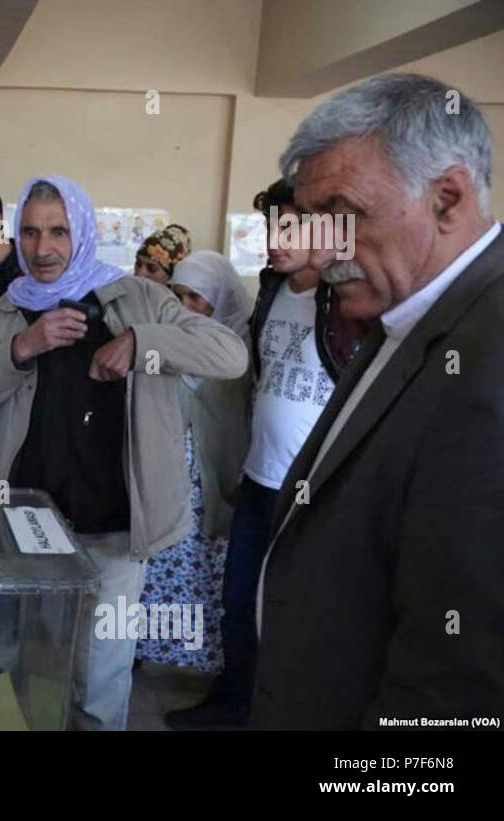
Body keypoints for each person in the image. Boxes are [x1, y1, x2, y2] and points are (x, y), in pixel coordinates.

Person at [255, 73, 504, 728]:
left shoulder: (489, 359)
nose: (325, 246)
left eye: (345, 212)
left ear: (446, 198)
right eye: (311, 219)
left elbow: (459, 681)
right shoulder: (400, 314)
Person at [0, 175, 247, 731]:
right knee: (31, 666)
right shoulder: (10, 311)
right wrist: (24, 347)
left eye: (59, 231)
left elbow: (229, 353)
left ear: (83, 232)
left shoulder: (140, 298)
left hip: (114, 531)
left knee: (100, 679)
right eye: (32, 232)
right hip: (29, 530)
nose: (43, 249)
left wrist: (143, 342)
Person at [166, 179, 368, 730]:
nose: (274, 239)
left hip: (316, 486)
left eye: (290, 226)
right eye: (270, 226)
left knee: (298, 610)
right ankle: (233, 703)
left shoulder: (350, 302)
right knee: (238, 601)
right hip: (259, 478)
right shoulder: (272, 293)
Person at [135, 250, 253, 673]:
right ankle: (144, 651)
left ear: (219, 300)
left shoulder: (241, 350)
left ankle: (204, 663)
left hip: (213, 482)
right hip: (168, 481)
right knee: (159, 571)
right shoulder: (164, 341)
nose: (185, 308)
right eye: (177, 295)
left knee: (204, 575)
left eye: (196, 299)